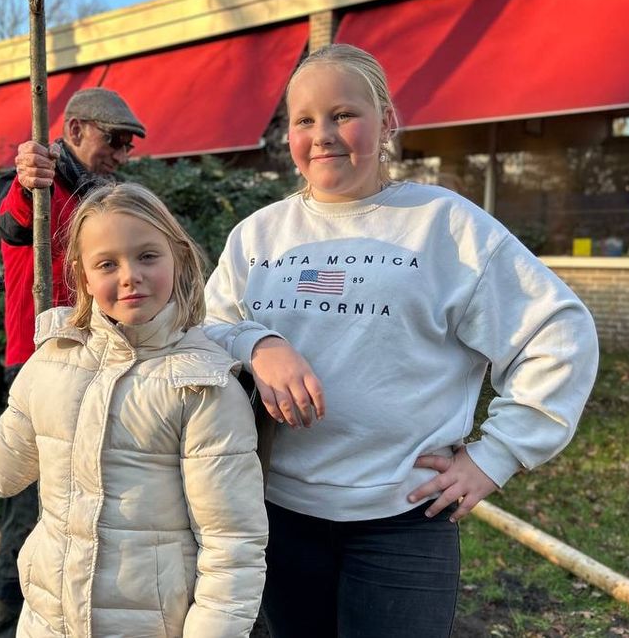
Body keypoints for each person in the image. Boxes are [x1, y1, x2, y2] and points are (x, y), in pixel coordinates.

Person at [202, 43, 600, 637]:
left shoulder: (445, 224)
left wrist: (495, 456)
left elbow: (559, 333)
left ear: (387, 120)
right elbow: (207, 334)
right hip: (276, 515)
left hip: (403, 522)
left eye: (343, 114)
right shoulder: (258, 234)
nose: (323, 135)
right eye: (304, 120)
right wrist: (259, 343)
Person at [0, 182, 268, 637]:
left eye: (147, 256)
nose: (129, 275)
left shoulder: (203, 386)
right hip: (46, 624)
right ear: (80, 275)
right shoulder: (53, 361)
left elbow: (232, 546)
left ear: (177, 256)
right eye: (107, 263)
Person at [0, 87, 145, 635]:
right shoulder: (39, 185)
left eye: (128, 145)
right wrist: (26, 174)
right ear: (74, 129)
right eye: (114, 140)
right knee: (29, 503)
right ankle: (9, 624)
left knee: (89, 499)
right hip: (40, 362)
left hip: (102, 363)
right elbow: (12, 223)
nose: (122, 153)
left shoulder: (106, 199)